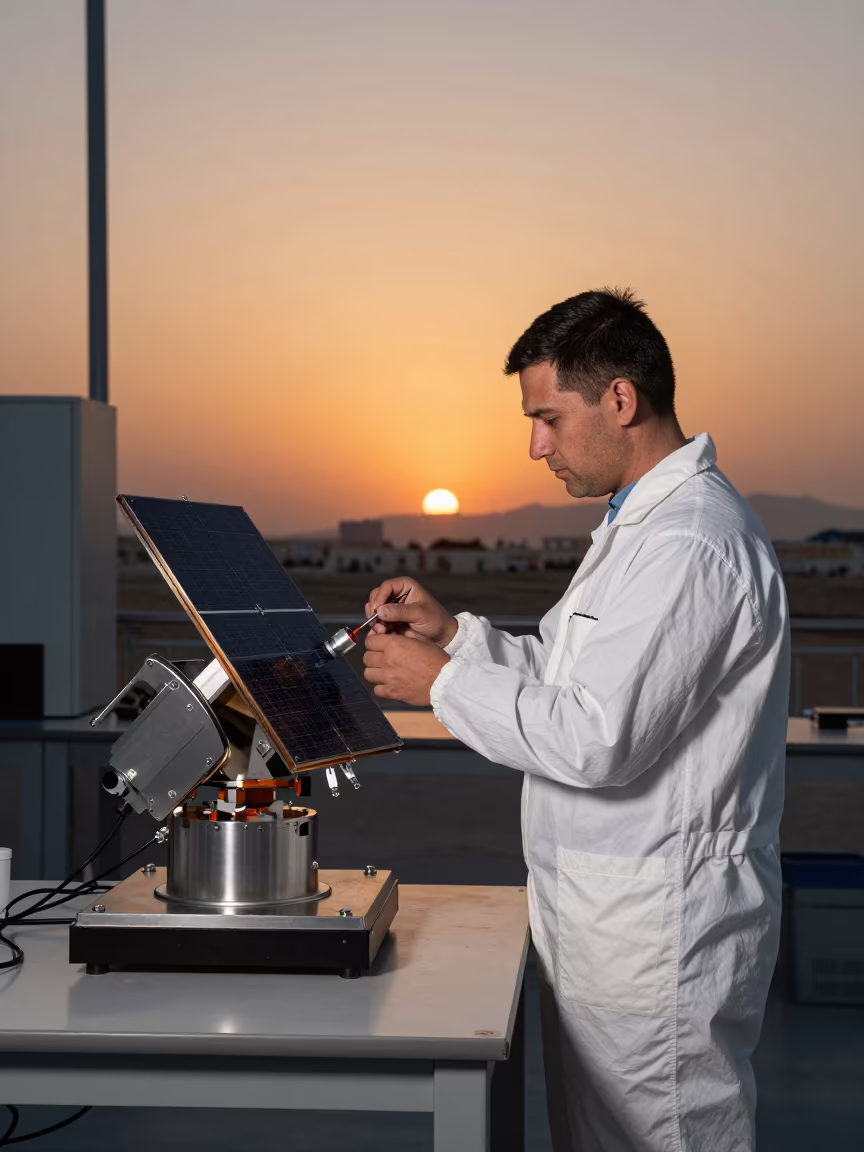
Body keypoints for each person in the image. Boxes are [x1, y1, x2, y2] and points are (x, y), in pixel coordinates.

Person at [361, 288, 789, 1152]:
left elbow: (597, 739)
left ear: (621, 399)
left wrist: (440, 683)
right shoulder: (634, 530)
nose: (534, 446)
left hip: (657, 937)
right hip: (602, 928)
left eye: (548, 417)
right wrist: (456, 637)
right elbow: (564, 678)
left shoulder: (690, 543)